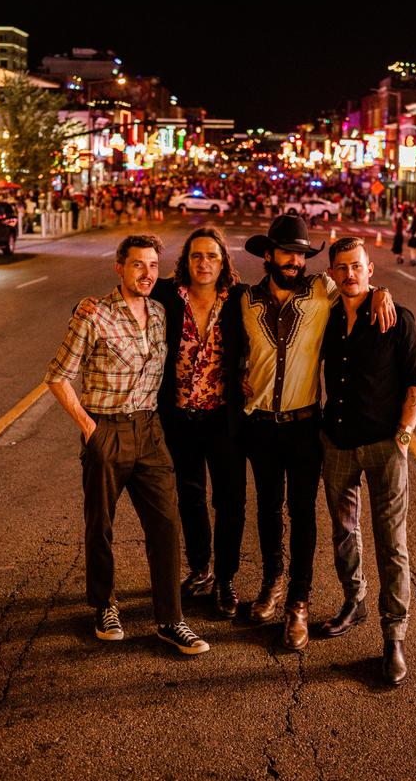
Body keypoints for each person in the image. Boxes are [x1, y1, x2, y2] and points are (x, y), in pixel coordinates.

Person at [44, 234, 209, 656]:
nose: (147, 273)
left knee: (166, 524)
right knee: (100, 525)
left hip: (150, 431)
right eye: (138, 264)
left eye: (153, 265)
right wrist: (88, 427)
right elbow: (58, 375)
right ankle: (104, 605)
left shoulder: (158, 312)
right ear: (119, 267)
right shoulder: (94, 312)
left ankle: (170, 619)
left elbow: (214, 286)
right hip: (107, 430)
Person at [241, 215, 396, 652]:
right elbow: (232, 345)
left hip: (304, 425)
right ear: (268, 255)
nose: (294, 261)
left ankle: (298, 602)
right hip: (260, 426)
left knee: (303, 513)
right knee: (268, 509)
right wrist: (238, 374)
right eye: (287, 252)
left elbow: (357, 289)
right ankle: (272, 581)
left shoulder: (320, 291)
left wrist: (382, 290)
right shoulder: (246, 300)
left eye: (302, 254)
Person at [319, 236, 416, 686]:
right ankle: (354, 600)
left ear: (370, 268)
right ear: (333, 273)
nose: (350, 274)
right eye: (342, 267)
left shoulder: (395, 317)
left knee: (391, 543)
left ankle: (394, 636)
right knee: (344, 531)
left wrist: (403, 437)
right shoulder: (325, 316)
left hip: (385, 446)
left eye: (357, 267)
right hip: (339, 443)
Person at [153, 228, 247, 619]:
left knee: (230, 501)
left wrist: (379, 292)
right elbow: (128, 286)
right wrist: (87, 306)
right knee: (189, 498)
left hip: (224, 419)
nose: (203, 263)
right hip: (180, 419)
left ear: (223, 260)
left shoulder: (240, 298)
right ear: (186, 261)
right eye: (196, 256)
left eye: (211, 255)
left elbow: (299, 289)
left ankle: (225, 579)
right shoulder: (166, 294)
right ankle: (201, 569)